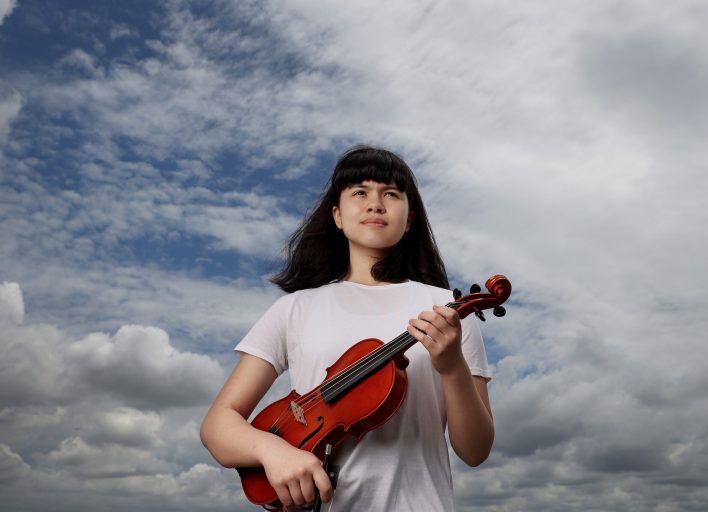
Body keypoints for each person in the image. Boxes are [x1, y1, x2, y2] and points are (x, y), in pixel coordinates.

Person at [200, 146, 494, 511]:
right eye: (360, 192)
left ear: (410, 218)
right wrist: (272, 450)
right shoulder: (294, 308)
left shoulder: (446, 311)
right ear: (337, 216)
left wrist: (451, 367)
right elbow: (217, 426)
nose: (375, 204)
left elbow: (475, 450)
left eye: (391, 193)